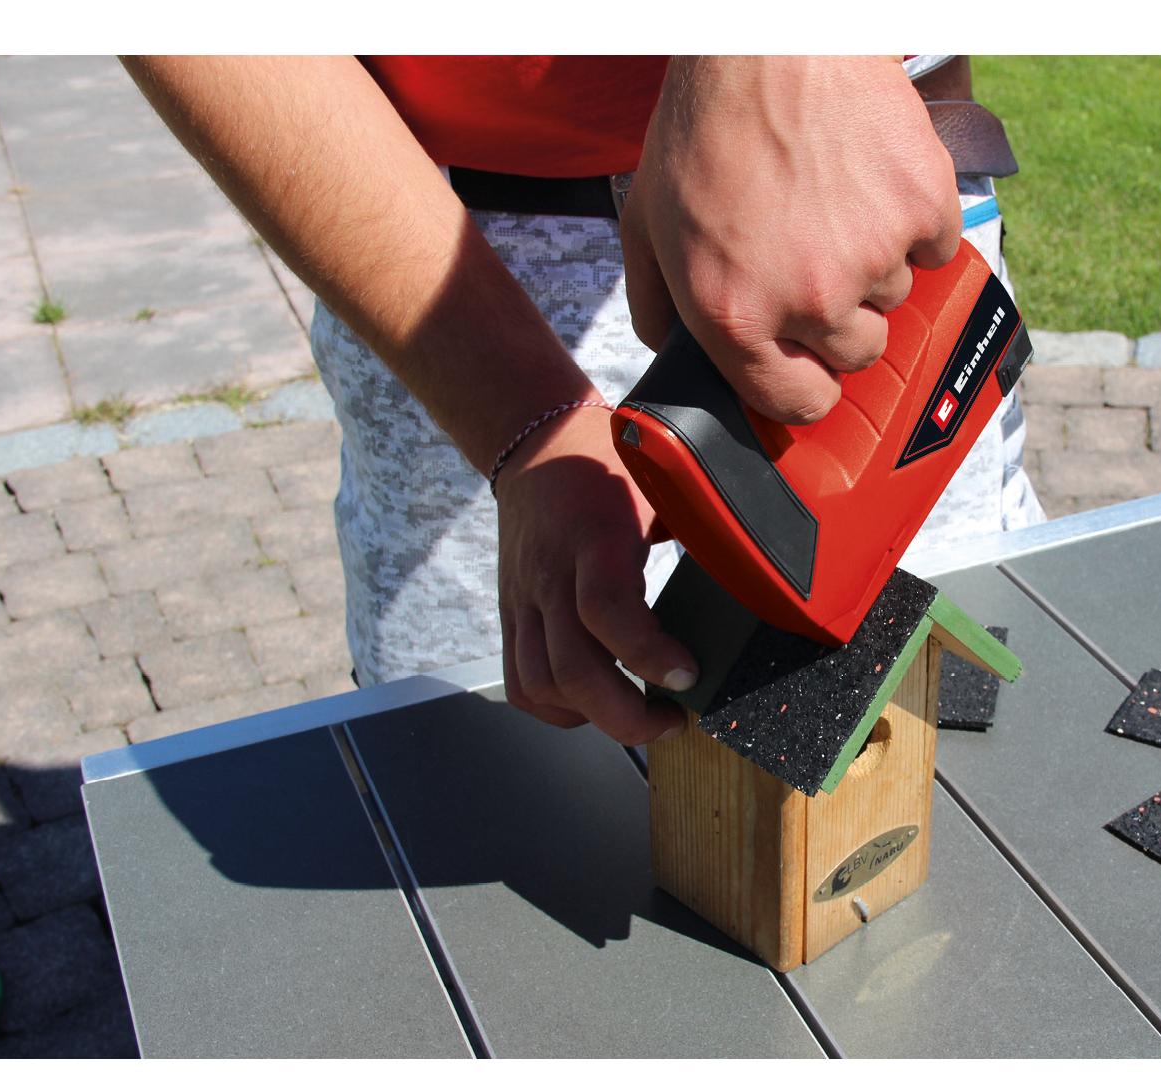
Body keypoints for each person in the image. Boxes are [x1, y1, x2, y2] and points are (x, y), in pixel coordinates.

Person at [123, 55, 1041, 748]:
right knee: (482, 827)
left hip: (861, 210)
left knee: (956, 775)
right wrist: (522, 419)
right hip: (439, 267)